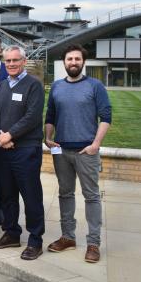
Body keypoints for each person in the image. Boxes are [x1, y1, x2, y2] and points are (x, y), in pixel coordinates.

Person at [45, 44, 111, 264]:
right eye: (69, 59)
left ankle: (93, 243)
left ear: (83, 61)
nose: (73, 62)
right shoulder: (56, 87)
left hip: (86, 151)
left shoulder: (95, 86)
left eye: (77, 59)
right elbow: (51, 114)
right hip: (61, 150)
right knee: (65, 194)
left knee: (91, 196)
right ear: (64, 62)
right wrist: (47, 136)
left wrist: (95, 144)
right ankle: (68, 237)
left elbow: (106, 117)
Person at [0, 46, 45, 261]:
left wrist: (10, 135)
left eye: (15, 60)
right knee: (7, 195)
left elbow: (32, 116)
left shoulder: (34, 85)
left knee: (31, 196)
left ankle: (35, 240)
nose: (11, 64)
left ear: (24, 61)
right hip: (4, 150)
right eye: (8, 61)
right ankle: (11, 233)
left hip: (26, 150)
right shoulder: (2, 86)